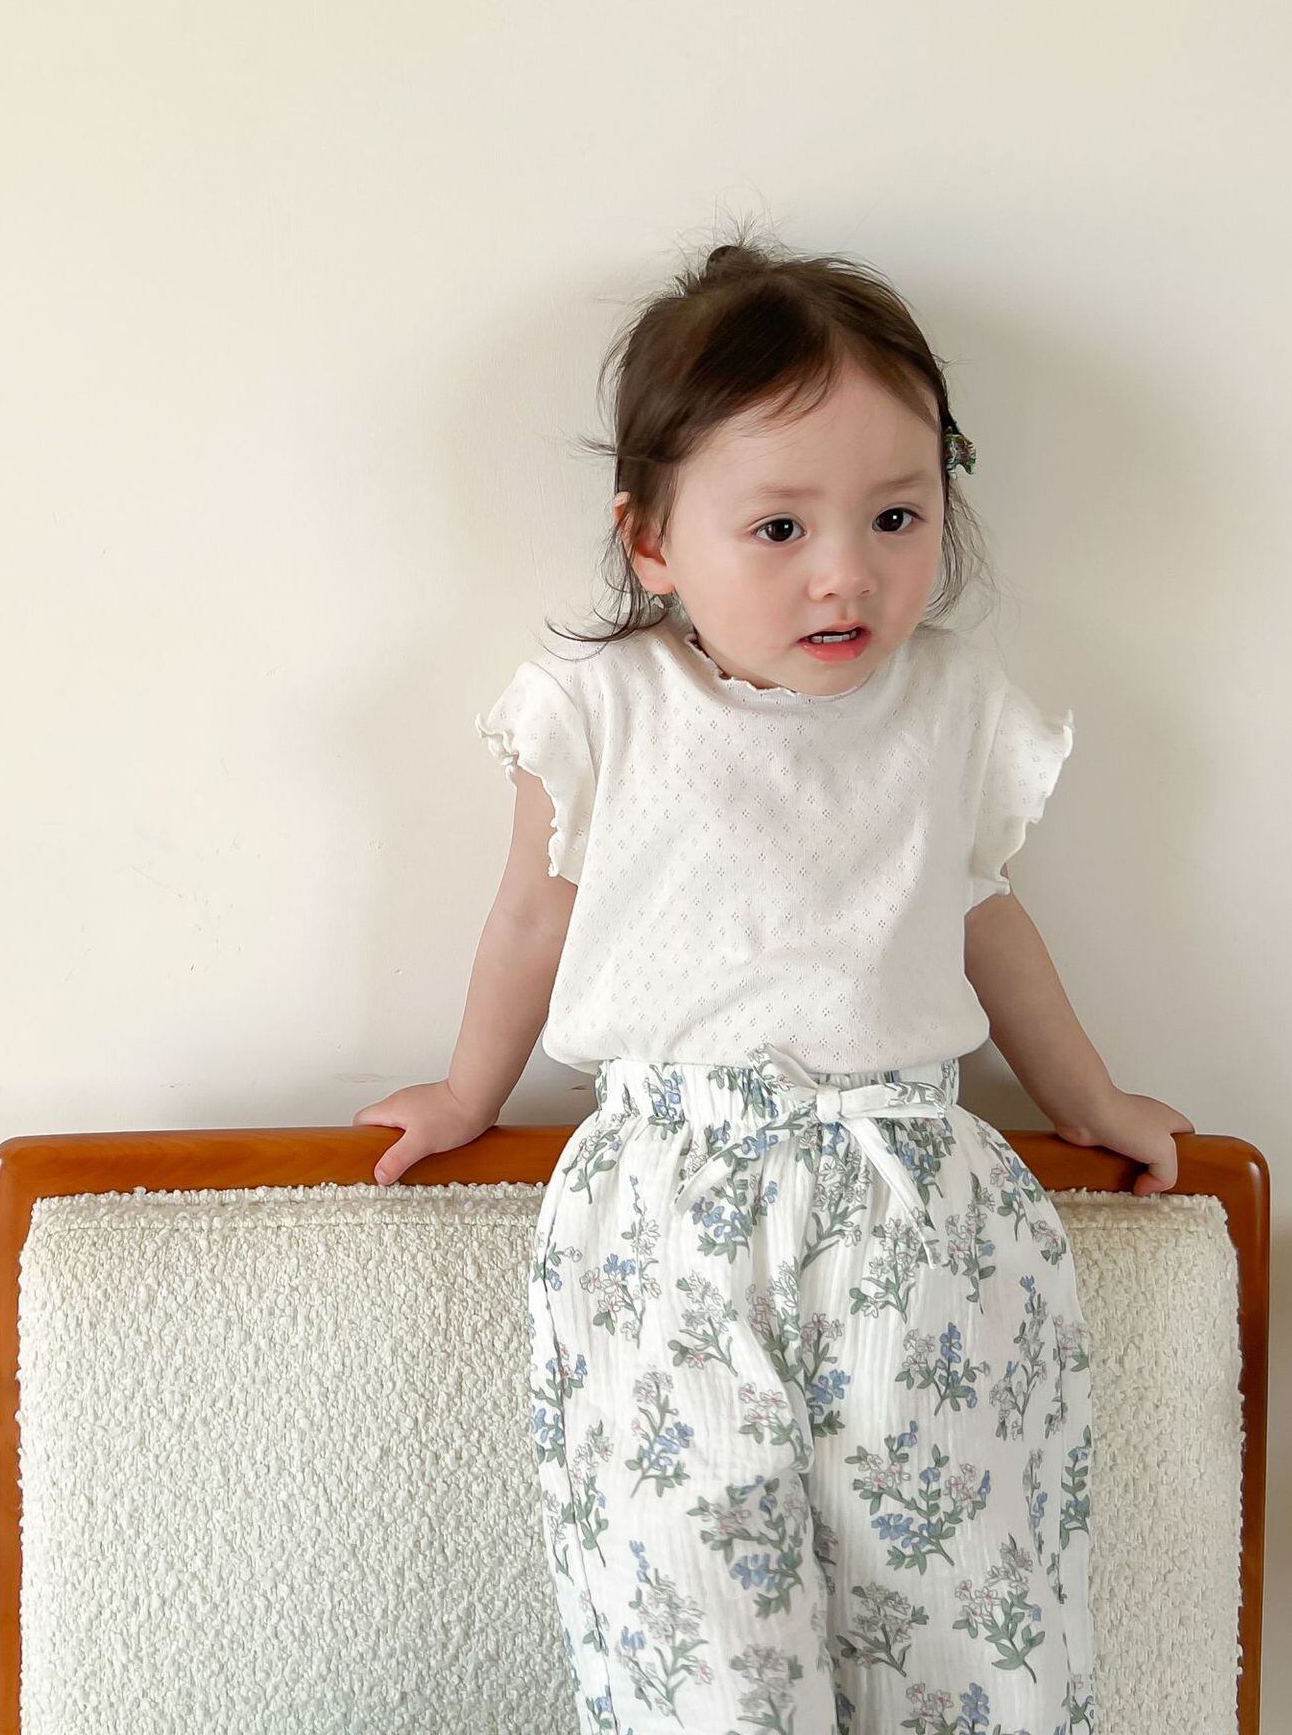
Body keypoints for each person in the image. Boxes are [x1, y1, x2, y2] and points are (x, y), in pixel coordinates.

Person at [352, 233, 1193, 1734]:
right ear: (652, 540)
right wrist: (470, 1090)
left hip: (917, 1210)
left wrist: (1090, 1096)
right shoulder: (602, 713)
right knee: (696, 1626)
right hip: (663, 1212)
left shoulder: (950, 706)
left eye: (895, 516)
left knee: (960, 1609)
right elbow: (532, 919)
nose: (846, 572)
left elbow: (984, 921)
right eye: (780, 527)